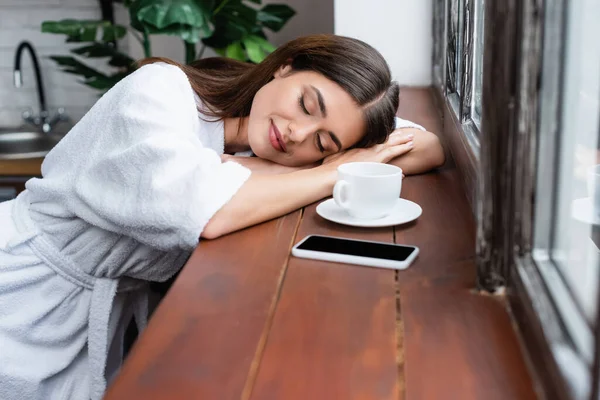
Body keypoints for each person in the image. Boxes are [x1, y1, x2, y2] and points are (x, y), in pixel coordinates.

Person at [0, 34, 444, 400]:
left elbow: (426, 146)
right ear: (285, 66)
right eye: (308, 105)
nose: (297, 134)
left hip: (91, 317)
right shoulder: (158, 90)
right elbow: (200, 212)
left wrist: (326, 163)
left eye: (324, 142)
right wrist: (332, 171)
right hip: (20, 293)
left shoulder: (260, 144)